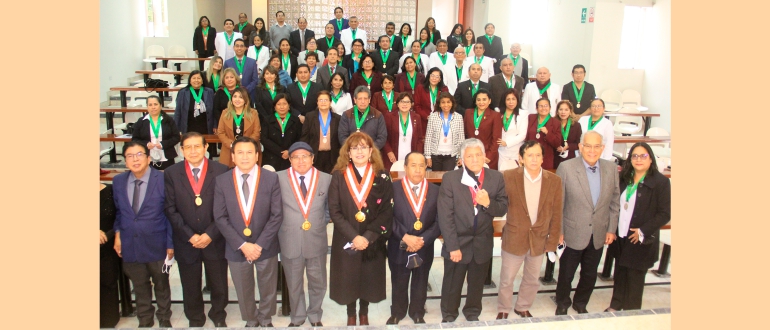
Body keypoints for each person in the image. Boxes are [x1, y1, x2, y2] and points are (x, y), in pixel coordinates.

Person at [213, 136, 282, 327]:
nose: (245, 157)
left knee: (268, 285)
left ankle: (266, 318)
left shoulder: (271, 178)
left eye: (249, 152)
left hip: (265, 245)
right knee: (243, 287)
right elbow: (220, 217)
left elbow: (276, 215)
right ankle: (250, 319)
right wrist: (243, 244)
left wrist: (259, 245)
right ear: (232, 156)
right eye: (240, 153)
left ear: (257, 155)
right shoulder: (222, 181)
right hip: (237, 246)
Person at [438, 138, 509, 323]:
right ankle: (449, 312)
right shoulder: (450, 179)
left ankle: (472, 311)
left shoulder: (496, 177)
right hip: (458, 242)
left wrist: (488, 203)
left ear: (485, 157)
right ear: (461, 159)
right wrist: (452, 246)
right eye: (470, 155)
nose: (475, 159)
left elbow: (502, 208)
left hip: (482, 241)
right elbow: (445, 216)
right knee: (453, 282)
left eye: (478, 154)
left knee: (477, 283)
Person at [163, 132, 230, 327]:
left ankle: (218, 315)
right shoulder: (172, 173)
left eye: (197, 146)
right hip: (186, 240)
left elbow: (225, 207)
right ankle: (195, 318)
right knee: (190, 283)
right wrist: (190, 235)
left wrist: (210, 233)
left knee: (218, 282)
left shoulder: (221, 170)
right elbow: (170, 208)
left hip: (214, 238)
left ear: (205, 148)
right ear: (181, 150)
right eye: (188, 147)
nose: (193, 151)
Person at [328, 132, 394, 326]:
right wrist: (354, 237)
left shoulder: (382, 175)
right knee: (348, 276)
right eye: (354, 148)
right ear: (348, 153)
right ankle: (351, 313)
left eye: (363, 147)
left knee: (368, 275)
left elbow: (387, 210)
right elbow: (334, 210)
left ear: (371, 151)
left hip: (372, 237)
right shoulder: (338, 175)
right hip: (346, 236)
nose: (359, 151)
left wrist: (367, 237)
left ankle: (364, 312)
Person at [554, 130, 620, 315]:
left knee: (590, 273)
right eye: (588, 146)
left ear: (603, 148)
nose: (592, 150)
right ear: (581, 147)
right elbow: (558, 203)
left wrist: (611, 229)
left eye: (596, 146)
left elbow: (615, 201)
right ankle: (563, 302)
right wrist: (559, 230)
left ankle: (581, 302)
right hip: (572, 231)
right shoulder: (566, 168)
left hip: (599, 231)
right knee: (566, 273)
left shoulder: (611, 169)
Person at [497, 140, 563, 319]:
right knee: (507, 279)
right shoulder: (508, 176)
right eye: (529, 155)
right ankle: (504, 308)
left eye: (538, 155)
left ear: (543, 158)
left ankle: (523, 306)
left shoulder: (554, 181)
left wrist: (552, 242)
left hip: (539, 239)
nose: (534, 159)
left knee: (532, 279)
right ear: (521, 158)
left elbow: (557, 214)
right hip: (514, 237)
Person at [113, 142, 174, 328]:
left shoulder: (163, 179)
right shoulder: (118, 181)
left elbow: (171, 213)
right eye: (130, 156)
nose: (135, 159)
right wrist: (117, 234)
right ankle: (145, 320)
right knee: (139, 286)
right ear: (125, 161)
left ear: (149, 158)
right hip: (130, 243)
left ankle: (164, 318)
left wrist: (170, 243)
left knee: (161, 285)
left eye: (139, 154)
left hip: (158, 243)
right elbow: (119, 212)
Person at [606, 143, 671, 312]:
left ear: (651, 158)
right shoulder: (624, 177)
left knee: (635, 276)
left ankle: (631, 312)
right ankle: (615, 304)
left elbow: (665, 213)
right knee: (620, 271)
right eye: (634, 156)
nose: (638, 159)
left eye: (643, 156)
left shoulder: (660, 182)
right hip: (621, 234)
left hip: (641, 237)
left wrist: (643, 230)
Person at [276, 142, 333, 327]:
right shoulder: (278, 178)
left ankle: (315, 314)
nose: (301, 161)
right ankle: (297, 317)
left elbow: (329, 209)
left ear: (312, 158)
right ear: (290, 159)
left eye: (305, 156)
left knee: (318, 282)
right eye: (296, 157)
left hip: (316, 239)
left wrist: (318, 223)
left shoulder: (326, 178)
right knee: (293, 283)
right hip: (289, 239)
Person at [386, 152, 440, 325]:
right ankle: (397, 311)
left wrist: (422, 239)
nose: (418, 169)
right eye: (413, 165)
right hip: (399, 243)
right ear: (405, 167)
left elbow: (440, 220)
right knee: (399, 279)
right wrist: (405, 236)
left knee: (421, 280)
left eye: (421, 165)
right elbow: (386, 217)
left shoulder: (435, 190)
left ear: (426, 167)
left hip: (424, 245)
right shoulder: (392, 188)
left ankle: (417, 311)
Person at [217, 87, 261, 168]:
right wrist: (231, 145)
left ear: (246, 100)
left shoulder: (253, 113)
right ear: (231, 99)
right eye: (235, 96)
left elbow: (256, 132)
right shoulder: (225, 112)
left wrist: (245, 145)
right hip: (229, 151)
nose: (237, 99)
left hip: (247, 151)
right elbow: (220, 132)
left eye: (241, 97)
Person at [132, 95, 180, 170]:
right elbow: (135, 139)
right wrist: (146, 144)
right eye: (150, 105)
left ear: (160, 106)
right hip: (147, 157)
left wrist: (163, 144)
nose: (153, 107)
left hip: (166, 156)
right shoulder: (141, 121)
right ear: (147, 107)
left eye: (155, 104)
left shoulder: (168, 120)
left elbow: (176, 137)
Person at [175, 71, 216, 153]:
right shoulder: (183, 92)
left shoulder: (209, 91)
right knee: (190, 150)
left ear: (202, 80)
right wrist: (176, 128)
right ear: (190, 80)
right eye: (194, 78)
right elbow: (178, 111)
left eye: (198, 78)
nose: (196, 80)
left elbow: (214, 110)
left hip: (206, 126)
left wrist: (215, 125)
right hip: (189, 126)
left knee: (206, 150)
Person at [301, 91, 342, 173]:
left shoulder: (338, 118)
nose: (323, 102)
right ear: (317, 102)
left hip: (332, 157)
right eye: (321, 100)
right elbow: (305, 137)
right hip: (315, 156)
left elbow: (340, 139)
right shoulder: (310, 117)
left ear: (330, 102)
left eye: (326, 100)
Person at [382, 92, 425, 171]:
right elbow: (384, 137)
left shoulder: (416, 117)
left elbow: (419, 139)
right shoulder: (389, 116)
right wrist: (389, 152)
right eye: (402, 101)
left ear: (411, 104)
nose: (404, 104)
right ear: (397, 104)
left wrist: (417, 155)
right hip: (393, 156)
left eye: (407, 102)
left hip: (411, 156)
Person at [260, 93, 302, 171]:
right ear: (274, 106)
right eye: (278, 104)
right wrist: (280, 152)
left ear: (289, 106)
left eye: (284, 104)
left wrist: (289, 151)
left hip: (290, 157)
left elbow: (299, 138)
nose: (282, 107)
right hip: (271, 158)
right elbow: (264, 139)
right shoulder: (267, 120)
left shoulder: (295, 120)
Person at [424, 92, 465, 171]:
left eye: (448, 102)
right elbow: (428, 138)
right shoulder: (433, 117)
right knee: (436, 180)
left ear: (452, 103)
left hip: (451, 155)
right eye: (443, 102)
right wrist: (428, 156)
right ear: (439, 104)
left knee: (447, 178)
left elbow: (461, 139)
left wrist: (461, 156)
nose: (446, 105)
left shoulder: (458, 117)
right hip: (435, 154)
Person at [463, 89, 502, 169]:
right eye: (478, 100)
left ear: (489, 101)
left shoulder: (495, 115)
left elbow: (496, 139)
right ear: (475, 101)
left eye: (484, 99)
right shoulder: (468, 112)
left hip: (487, 155)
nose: (481, 102)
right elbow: (464, 133)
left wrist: (489, 156)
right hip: (471, 154)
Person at [100, 182, 120, 328]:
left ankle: (108, 321)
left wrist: (111, 235)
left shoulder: (111, 190)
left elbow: (120, 216)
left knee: (108, 281)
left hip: (108, 242)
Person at [526, 98, 561, 170]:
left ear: (550, 108)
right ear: (536, 108)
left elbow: (557, 143)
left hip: (546, 157)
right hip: (530, 155)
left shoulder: (556, 123)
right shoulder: (531, 118)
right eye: (540, 106)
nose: (543, 108)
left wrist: (547, 133)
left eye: (546, 106)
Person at [496, 90, 528, 171]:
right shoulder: (498, 112)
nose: (511, 102)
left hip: (516, 150)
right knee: (502, 175)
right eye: (508, 99)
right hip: (501, 151)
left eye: (513, 99)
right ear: (504, 100)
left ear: (517, 100)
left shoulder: (523, 113)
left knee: (516, 176)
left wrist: (507, 143)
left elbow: (522, 135)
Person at [554, 100, 583, 169]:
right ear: (557, 111)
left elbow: (578, 144)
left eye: (566, 110)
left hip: (570, 158)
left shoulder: (576, 125)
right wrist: (556, 147)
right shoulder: (553, 124)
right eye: (561, 109)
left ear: (570, 112)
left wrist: (568, 146)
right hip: (555, 157)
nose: (563, 112)